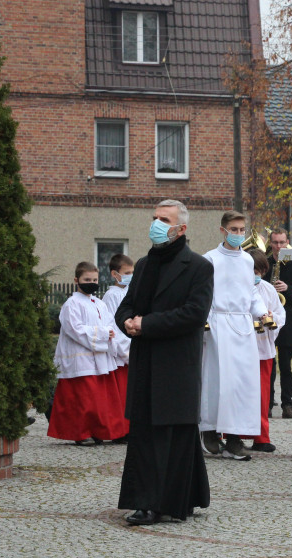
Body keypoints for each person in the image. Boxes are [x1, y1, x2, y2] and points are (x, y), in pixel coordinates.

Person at [116, 199, 213, 525]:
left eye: (164, 219)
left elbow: (194, 314)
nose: (156, 223)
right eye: (154, 217)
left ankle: (155, 504)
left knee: (174, 434)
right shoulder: (143, 264)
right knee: (146, 434)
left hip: (176, 364)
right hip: (145, 362)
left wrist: (147, 325)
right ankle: (166, 498)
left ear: (181, 228)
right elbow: (126, 305)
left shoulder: (198, 266)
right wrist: (127, 321)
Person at [198, 210, 269, 461]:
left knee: (243, 384)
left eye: (242, 230)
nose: (239, 234)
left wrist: (262, 312)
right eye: (234, 230)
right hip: (218, 324)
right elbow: (203, 294)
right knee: (218, 381)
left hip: (243, 326)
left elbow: (251, 293)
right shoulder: (209, 259)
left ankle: (236, 438)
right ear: (223, 231)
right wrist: (205, 321)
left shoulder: (248, 261)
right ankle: (209, 430)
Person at [48, 261, 130, 446]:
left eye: (94, 279)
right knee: (81, 398)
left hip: (99, 357)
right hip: (80, 358)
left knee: (98, 399)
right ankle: (81, 432)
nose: (91, 282)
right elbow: (74, 329)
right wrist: (102, 334)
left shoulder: (99, 303)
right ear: (77, 280)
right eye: (87, 279)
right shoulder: (71, 304)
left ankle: (97, 430)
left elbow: (111, 325)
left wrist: (114, 338)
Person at [265, 227, 292, 419]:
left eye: (282, 242)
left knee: (286, 367)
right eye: (275, 242)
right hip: (267, 320)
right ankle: (267, 405)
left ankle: (287, 405)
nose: (278, 246)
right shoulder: (264, 264)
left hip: (288, 321)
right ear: (270, 243)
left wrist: (287, 288)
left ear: (287, 242)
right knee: (269, 365)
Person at [249, 248, 287, 453]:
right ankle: (231, 434)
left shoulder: (268, 289)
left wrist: (273, 317)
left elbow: (281, 315)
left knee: (263, 395)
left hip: (263, 349)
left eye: (259, 271)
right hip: (243, 348)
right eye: (252, 271)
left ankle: (261, 437)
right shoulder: (236, 288)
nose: (256, 276)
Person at [102, 253, 134, 443]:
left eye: (132, 272)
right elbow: (114, 325)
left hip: (133, 346)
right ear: (115, 274)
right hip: (122, 353)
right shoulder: (111, 295)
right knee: (121, 394)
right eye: (127, 272)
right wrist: (126, 350)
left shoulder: (130, 291)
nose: (131, 276)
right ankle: (121, 430)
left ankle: (131, 428)